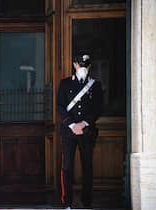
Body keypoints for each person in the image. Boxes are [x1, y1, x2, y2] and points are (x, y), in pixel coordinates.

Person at [57, 52, 103, 209]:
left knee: (87, 168)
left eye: (86, 66)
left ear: (89, 67)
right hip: (69, 132)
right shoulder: (65, 84)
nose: (83, 68)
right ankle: (67, 203)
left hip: (87, 132)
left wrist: (83, 124)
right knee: (67, 167)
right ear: (75, 65)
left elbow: (98, 108)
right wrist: (72, 125)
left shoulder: (95, 85)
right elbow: (60, 106)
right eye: (80, 65)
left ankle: (87, 202)